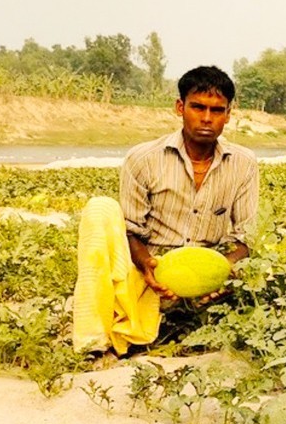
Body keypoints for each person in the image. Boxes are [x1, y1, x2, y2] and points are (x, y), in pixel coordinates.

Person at [72, 65, 259, 356]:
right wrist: (147, 264)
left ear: (228, 114)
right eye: (198, 107)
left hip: (206, 286)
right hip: (149, 275)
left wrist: (225, 272)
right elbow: (131, 230)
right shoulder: (143, 158)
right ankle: (93, 341)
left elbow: (245, 238)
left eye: (217, 110)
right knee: (100, 208)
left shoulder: (244, 164)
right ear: (180, 107)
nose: (207, 118)